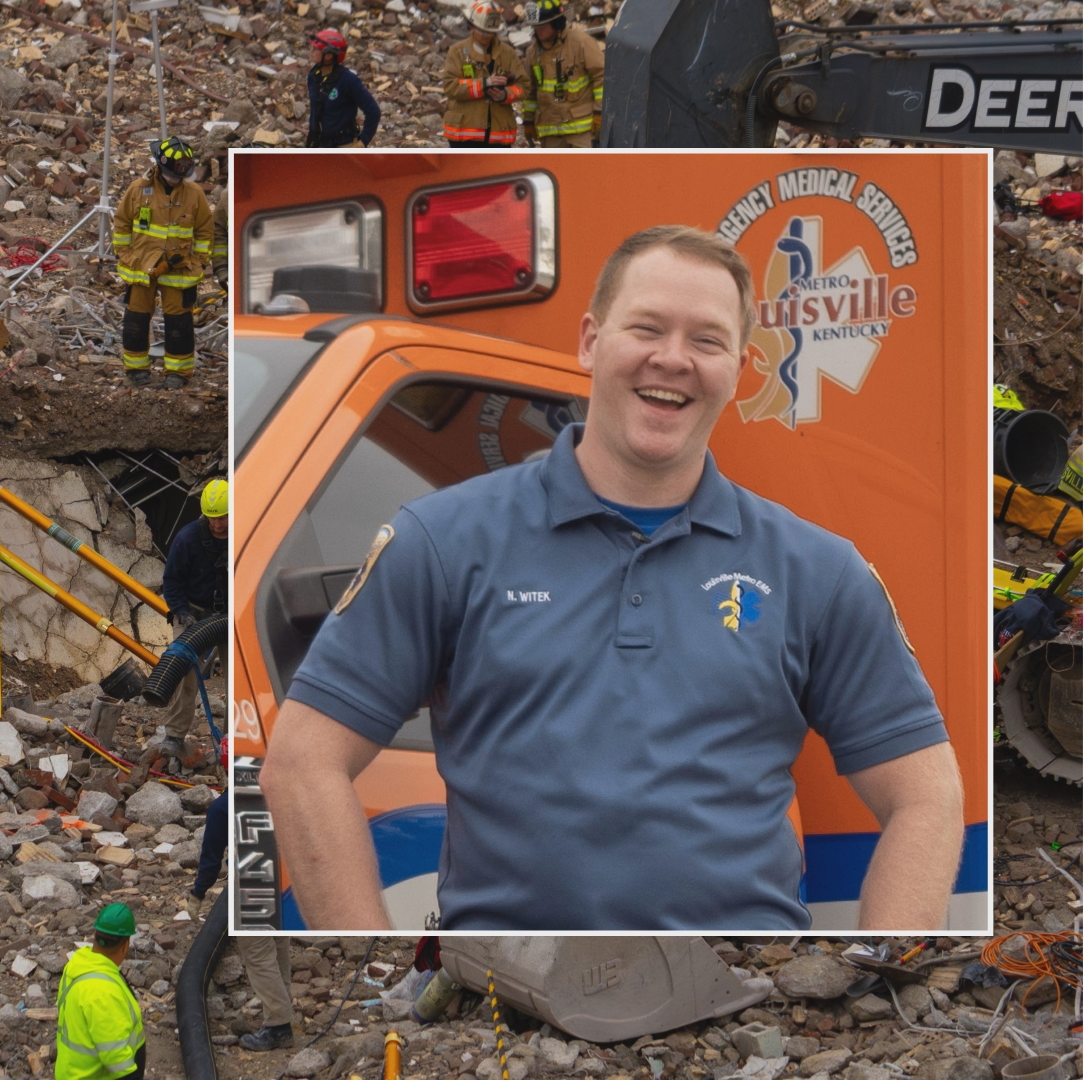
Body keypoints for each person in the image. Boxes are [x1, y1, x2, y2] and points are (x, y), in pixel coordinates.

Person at [259, 225, 964, 931]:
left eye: (708, 341)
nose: (673, 359)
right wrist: (374, 965)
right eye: (647, 328)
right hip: (508, 1004)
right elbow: (302, 763)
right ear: (591, 341)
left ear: (742, 367)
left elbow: (926, 795)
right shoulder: (444, 542)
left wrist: (884, 973)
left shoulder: (817, 571)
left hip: (748, 1005)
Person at [189, 783, 298, 1053]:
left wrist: (198, 893)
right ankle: (282, 1010)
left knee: (259, 956)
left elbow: (211, 858)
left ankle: (278, 1026)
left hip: (252, 884)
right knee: (278, 946)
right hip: (285, 881)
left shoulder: (222, 807)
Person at [113, 138, 214, 390]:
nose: (174, 179)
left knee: (179, 323)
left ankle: (178, 373)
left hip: (179, 270)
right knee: (135, 319)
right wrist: (126, 254)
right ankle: (136, 369)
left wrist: (199, 261)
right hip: (141, 267)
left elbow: (204, 231)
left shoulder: (194, 194)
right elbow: (122, 222)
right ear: (159, 165)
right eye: (171, 174)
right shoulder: (138, 189)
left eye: (180, 175)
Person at [156, 479, 230, 763]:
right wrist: (181, 611)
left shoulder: (245, 534)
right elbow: (171, 580)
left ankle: (238, 736)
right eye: (213, 519)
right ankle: (174, 735)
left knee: (239, 676)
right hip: (194, 614)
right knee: (183, 670)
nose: (218, 525)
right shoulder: (188, 539)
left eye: (223, 518)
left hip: (230, 614)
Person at [55, 904, 147, 1080]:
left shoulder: (78, 964)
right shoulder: (104, 994)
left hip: (71, 1071)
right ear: (125, 945)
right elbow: (117, 1060)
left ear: (95, 936)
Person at [441, 0, 530, 147]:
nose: (485, 36)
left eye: (489, 32)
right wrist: (485, 84)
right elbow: (451, 87)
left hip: (499, 135)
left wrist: (505, 94)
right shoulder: (457, 52)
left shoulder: (507, 54)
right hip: (464, 135)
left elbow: (524, 86)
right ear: (471, 26)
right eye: (481, 31)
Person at [519, 0, 604, 146]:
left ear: (557, 23)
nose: (538, 30)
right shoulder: (533, 53)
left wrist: (599, 112)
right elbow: (530, 92)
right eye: (535, 26)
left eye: (543, 25)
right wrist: (528, 120)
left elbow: (602, 76)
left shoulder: (581, 43)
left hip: (581, 132)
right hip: (550, 132)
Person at [305, 29, 380, 148]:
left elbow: (373, 111)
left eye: (315, 49)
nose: (310, 51)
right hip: (319, 143)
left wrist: (362, 142)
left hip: (343, 145)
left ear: (328, 55)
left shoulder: (348, 80)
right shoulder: (313, 76)